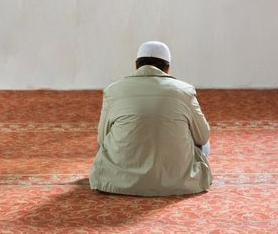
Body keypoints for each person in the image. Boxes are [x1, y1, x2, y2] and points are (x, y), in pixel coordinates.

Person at [89, 41, 212, 196]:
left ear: (136, 65)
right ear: (167, 67)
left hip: (119, 182)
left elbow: (102, 139)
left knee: (105, 145)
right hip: (178, 182)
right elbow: (202, 137)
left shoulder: (113, 90)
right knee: (205, 143)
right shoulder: (184, 90)